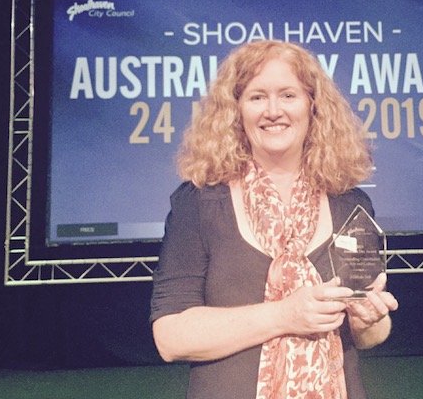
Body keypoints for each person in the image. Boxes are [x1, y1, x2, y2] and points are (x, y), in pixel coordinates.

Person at [150, 40, 398, 399]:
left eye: (288, 95)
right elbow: (171, 338)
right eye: (257, 97)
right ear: (236, 110)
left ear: (313, 105)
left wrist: (369, 319)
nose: (273, 111)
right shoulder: (199, 203)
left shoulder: (350, 204)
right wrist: (285, 315)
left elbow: (370, 335)